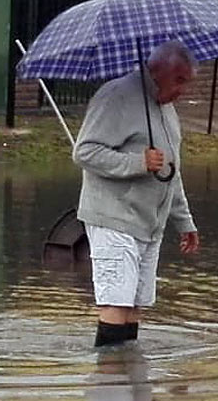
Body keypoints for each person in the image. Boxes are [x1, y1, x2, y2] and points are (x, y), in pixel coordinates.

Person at [72, 40, 201, 348]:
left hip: (149, 224)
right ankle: (109, 385)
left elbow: (171, 171)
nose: (182, 90)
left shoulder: (166, 109)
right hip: (114, 218)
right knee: (115, 303)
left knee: (134, 306)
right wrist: (136, 162)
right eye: (179, 80)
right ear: (156, 70)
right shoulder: (115, 96)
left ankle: (131, 382)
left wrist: (184, 221)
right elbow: (85, 152)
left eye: (187, 82)